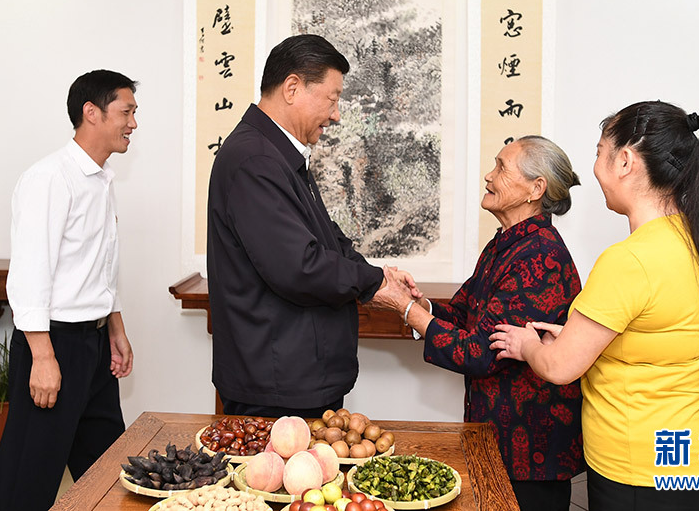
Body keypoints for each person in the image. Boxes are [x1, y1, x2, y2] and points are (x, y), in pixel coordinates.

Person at [489, 101, 699, 511]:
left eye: (598, 152)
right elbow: (664, 338)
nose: (594, 167)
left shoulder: (629, 260)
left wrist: (528, 346)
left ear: (624, 161)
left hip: (639, 469)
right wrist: (576, 337)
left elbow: (559, 368)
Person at [206, 34, 418, 419]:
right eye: (332, 98)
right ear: (292, 88)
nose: (336, 114)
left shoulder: (277, 153)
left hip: (292, 376)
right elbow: (298, 267)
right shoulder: (255, 159)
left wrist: (378, 275)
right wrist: (373, 283)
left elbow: (327, 239)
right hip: (275, 385)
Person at [375, 136, 585, 511]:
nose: (489, 176)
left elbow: (479, 352)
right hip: (498, 439)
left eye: (502, 168)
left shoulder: (541, 256)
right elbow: (465, 314)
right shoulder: (506, 243)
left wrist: (408, 311)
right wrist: (419, 302)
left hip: (531, 452)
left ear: (536, 189)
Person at [0, 70, 138, 511]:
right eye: (126, 112)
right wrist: (43, 357)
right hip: (54, 344)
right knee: (27, 479)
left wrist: (115, 327)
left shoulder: (102, 180)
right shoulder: (49, 178)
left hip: (92, 345)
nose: (133, 123)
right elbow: (31, 275)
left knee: (110, 472)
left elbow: (99, 267)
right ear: (91, 112)